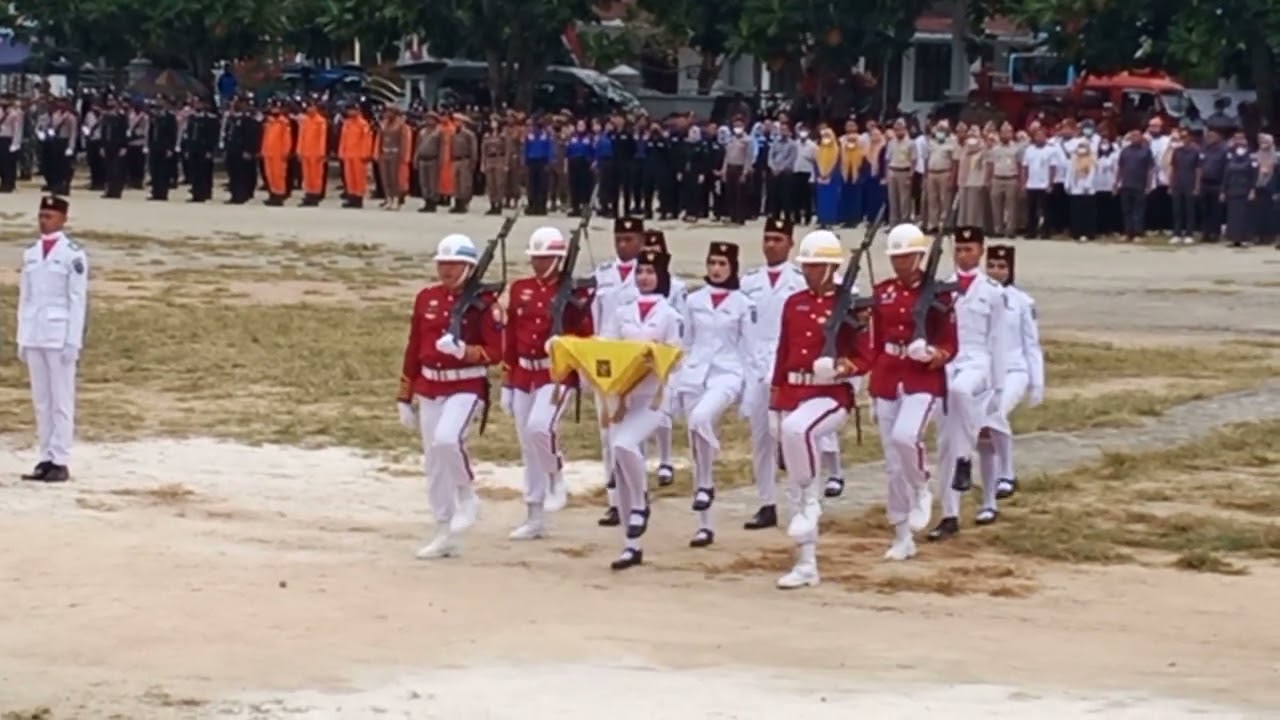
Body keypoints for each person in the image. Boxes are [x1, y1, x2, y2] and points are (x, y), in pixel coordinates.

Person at [768, 229, 873, 589]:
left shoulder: (849, 305)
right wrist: (774, 400)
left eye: (815, 266)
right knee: (793, 479)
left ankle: (813, 501)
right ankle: (806, 563)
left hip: (830, 394)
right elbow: (782, 354)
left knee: (799, 430)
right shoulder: (794, 303)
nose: (809, 272)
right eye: (806, 266)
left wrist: (843, 367)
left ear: (831, 268)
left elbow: (866, 355)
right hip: (795, 392)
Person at [396, 233, 503, 559]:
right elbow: (415, 345)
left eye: (454, 264)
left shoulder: (485, 304)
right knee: (434, 462)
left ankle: (468, 495)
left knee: (447, 440)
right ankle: (444, 529)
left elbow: (496, 351)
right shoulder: (426, 298)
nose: (446, 269)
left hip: (466, 384)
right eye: (442, 263)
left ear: (470, 267)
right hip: (431, 385)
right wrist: (404, 394)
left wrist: (464, 351)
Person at [867, 223, 958, 560]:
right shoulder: (883, 291)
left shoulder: (937, 293)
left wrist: (936, 355)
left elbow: (950, 340)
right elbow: (875, 340)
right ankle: (902, 533)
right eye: (895, 257)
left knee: (907, 437)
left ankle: (922, 485)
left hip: (922, 377)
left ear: (919, 257)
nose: (900, 263)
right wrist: (872, 376)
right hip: (890, 373)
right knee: (892, 463)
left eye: (906, 257)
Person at [500, 226, 594, 539]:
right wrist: (507, 380)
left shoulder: (573, 291)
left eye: (545, 258)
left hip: (556, 372)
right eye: (535, 257)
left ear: (558, 258)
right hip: (524, 372)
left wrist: (568, 338)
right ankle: (534, 514)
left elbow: (586, 334)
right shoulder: (520, 288)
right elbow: (511, 335)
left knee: (541, 427)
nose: (538, 263)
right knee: (528, 445)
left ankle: (556, 475)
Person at [599, 249, 684, 570]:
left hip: (653, 398)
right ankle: (630, 545)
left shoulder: (669, 315)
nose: (644, 277)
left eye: (650, 271)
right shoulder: (622, 312)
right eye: (640, 271)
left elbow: (675, 357)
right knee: (619, 465)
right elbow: (607, 345)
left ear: (661, 276)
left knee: (624, 445)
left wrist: (656, 362)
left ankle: (640, 502)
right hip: (623, 396)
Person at [929, 226, 1008, 541]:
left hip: (978, 364)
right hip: (947, 363)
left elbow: (998, 340)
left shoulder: (992, 291)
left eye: (969, 249)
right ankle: (949, 513)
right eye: (959, 249)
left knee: (963, 393)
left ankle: (967, 458)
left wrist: (998, 391)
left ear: (981, 250)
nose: (963, 255)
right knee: (945, 442)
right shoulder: (939, 288)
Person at [674, 241, 751, 547]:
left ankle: (711, 468)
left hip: (727, 374)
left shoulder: (744, 304)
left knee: (701, 419)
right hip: (696, 374)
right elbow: (687, 341)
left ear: (732, 266)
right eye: (712, 263)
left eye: (722, 263)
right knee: (696, 448)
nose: (716, 269)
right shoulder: (693, 301)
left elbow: (750, 348)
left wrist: (749, 389)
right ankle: (704, 519)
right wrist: (680, 378)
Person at [738, 218, 805, 530]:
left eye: (778, 239)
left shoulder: (801, 280)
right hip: (755, 365)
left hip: (788, 365)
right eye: (767, 238)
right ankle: (766, 503)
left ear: (790, 244)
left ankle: (799, 501)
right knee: (761, 439)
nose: (770, 245)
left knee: (789, 436)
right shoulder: (749, 281)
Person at [17, 195, 88, 483]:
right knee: (41, 401)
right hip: (35, 332)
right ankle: (45, 456)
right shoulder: (31, 253)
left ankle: (61, 458)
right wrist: (22, 336)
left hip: (58, 334)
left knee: (61, 401)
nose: (43, 221)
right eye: (41, 216)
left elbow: (77, 300)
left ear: (62, 219)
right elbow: (25, 297)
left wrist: (73, 340)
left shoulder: (73, 254)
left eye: (49, 216)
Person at [980, 245, 1044, 508]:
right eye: (992, 265)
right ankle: (993, 476)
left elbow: (1031, 343)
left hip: (1015, 370)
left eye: (1002, 267)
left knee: (995, 414)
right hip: (986, 372)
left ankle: (1007, 473)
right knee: (983, 426)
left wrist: (1037, 382)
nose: (996, 271)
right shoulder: (978, 297)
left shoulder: (1022, 302)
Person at [592, 217, 645, 526]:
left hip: (638, 364)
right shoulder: (601, 275)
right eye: (619, 238)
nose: (624, 245)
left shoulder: (650, 273)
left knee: (633, 436)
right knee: (607, 433)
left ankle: (638, 494)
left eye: (630, 239)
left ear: (641, 240)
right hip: (606, 364)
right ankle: (615, 500)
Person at [1223, 133, 1258, 248]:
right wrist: (1223, 190)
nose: (1239, 141)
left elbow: (1254, 175)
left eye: (1241, 139)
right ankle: (1233, 239)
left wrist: (1252, 190)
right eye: (1236, 139)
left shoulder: (1251, 156)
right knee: (1233, 216)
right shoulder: (1230, 155)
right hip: (1232, 190)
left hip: (1245, 190)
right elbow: (1226, 175)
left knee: (1244, 216)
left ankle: (1244, 239)